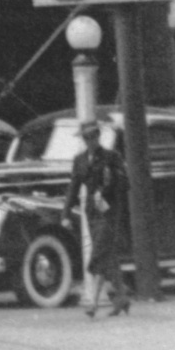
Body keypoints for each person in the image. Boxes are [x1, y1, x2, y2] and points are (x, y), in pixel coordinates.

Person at [62, 118, 129, 317]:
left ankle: (93, 302)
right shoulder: (79, 160)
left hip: (109, 212)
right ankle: (122, 298)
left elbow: (125, 184)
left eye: (93, 136)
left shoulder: (112, 157)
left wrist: (109, 188)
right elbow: (73, 188)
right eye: (86, 137)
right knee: (107, 254)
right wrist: (65, 213)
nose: (90, 140)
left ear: (98, 136)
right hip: (91, 213)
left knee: (98, 253)